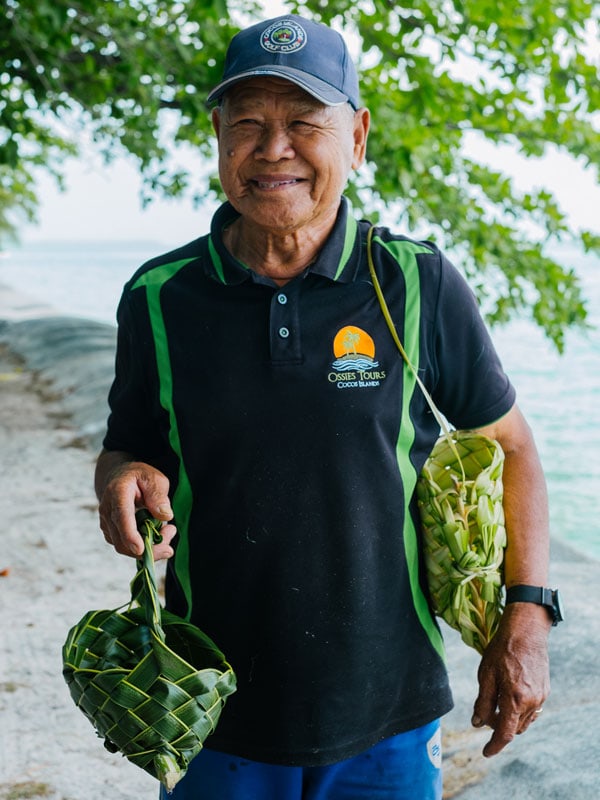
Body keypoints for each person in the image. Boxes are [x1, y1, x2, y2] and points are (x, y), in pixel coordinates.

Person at [95, 14, 557, 800]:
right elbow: (129, 445)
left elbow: (511, 446)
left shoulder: (415, 282)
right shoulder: (158, 297)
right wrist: (123, 478)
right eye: (248, 124)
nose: (274, 150)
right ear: (217, 136)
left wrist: (527, 618)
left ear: (357, 138)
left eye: (305, 123)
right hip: (209, 702)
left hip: (390, 712)